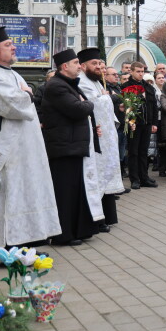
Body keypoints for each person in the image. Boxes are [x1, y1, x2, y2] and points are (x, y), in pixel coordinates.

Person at [0, 27, 61, 249]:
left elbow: (24, 97)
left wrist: (26, 93)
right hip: (7, 150)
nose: (14, 47)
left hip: (25, 148)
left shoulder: (12, 73)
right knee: (9, 196)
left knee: (29, 192)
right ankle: (8, 245)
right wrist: (28, 93)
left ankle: (30, 237)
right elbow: (15, 105)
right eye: (8, 45)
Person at [40, 49, 102, 245]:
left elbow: (82, 106)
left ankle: (79, 230)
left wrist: (85, 104)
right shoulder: (57, 86)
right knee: (64, 193)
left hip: (72, 145)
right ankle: (63, 235)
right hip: (63, 146)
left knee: (76, 190)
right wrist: (88, 104)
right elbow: (77, 109)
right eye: (76, 62)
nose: (79, 65)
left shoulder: (69, 84)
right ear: (64, 66)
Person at [77, 48, 124, 232]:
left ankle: (108, 216)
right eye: (94, 64)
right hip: (95, 136)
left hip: (105, 135)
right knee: (97, 176)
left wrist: (105, 97)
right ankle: (97, 219)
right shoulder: (83, 81)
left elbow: (102, 99)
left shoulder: (95, 81)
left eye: (100, 64)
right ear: (83, 66)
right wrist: (106, 97)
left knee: (107, 171)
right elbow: (94, 103)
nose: (99, 67)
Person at [122, 62, 159, 190]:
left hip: (147, 124)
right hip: (134, 125)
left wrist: (154, 123)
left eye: (142, 71)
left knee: (144, 152)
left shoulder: (148, 87)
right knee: (133, 152)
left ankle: (144, 177)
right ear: (131, 72)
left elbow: (154, 106)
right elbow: (125, 107)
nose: (140, 74)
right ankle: (135, 179)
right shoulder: (126, 86)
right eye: (138, 71)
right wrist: (129, 122)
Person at [105, 66, 128, 179]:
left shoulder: (118, 87)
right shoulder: (105, 87)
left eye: (116, 74)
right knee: (114, 152)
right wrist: (116, 97)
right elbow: (108, 100)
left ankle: (121, 170)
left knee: (121, 151)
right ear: (106, 76)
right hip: (113, 124)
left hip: (122, 123)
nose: (116, 76)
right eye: (113, 74)